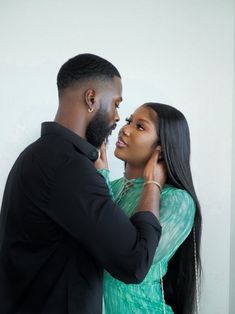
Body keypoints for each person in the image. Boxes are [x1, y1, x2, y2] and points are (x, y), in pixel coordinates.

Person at [0, 54, 166, 314]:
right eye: (115, 105)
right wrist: (152, 184)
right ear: (91, 99)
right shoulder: (68, 168)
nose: (117, 119)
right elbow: (134, 262)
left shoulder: (38, 155)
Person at [96, 103, 202, 314]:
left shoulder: (177, 201)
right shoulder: (112, 186)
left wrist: (151, 186)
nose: (125, 129)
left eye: (140, 126)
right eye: (128, 121)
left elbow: (133, 261)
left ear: (160, 149)